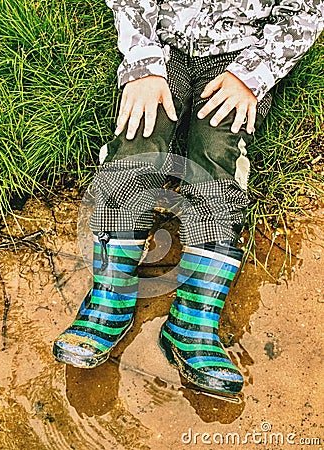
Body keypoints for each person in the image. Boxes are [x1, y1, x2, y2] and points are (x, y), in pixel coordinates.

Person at [53, 0, 323, 396]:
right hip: (164, 42)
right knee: (138, 143)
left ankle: (192, 320)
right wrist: (143, 63)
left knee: (218, 160)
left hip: (240, 53)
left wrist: (253, 73)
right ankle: (111, 294)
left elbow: (308, 11)